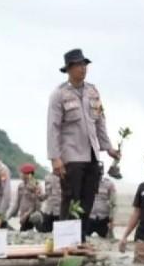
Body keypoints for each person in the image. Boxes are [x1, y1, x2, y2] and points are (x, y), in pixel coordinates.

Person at [47, 48, 120, 240]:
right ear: (69, 69)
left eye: (84, 64)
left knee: (88, 200)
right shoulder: (59, 94)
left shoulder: (93, 91)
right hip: (71, 156)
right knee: (71, 199)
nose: (83, 68)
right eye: (78, 65)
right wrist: (55, 158)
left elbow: (100, 121)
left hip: (92, 154)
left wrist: (109, 147)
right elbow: (53, 127)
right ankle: (64, 240)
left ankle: (80, 238)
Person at [8, 163, 45, 231]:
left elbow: (37, 204)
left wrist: (27, 215)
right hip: (23, 216)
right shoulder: (21, 186)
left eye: (22, 173)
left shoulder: (36, 185)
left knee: (37, 231)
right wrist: (9, 216)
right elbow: (17, 204)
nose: (20, 175)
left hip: (32, 215)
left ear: (28, 174)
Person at [88, 163, 116, 238]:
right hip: (89, 217)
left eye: (99, 173)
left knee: (107, 240)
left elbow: (113, 203)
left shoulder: (109, 184)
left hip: (103, 219)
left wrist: (112, 219)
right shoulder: (86, 183)